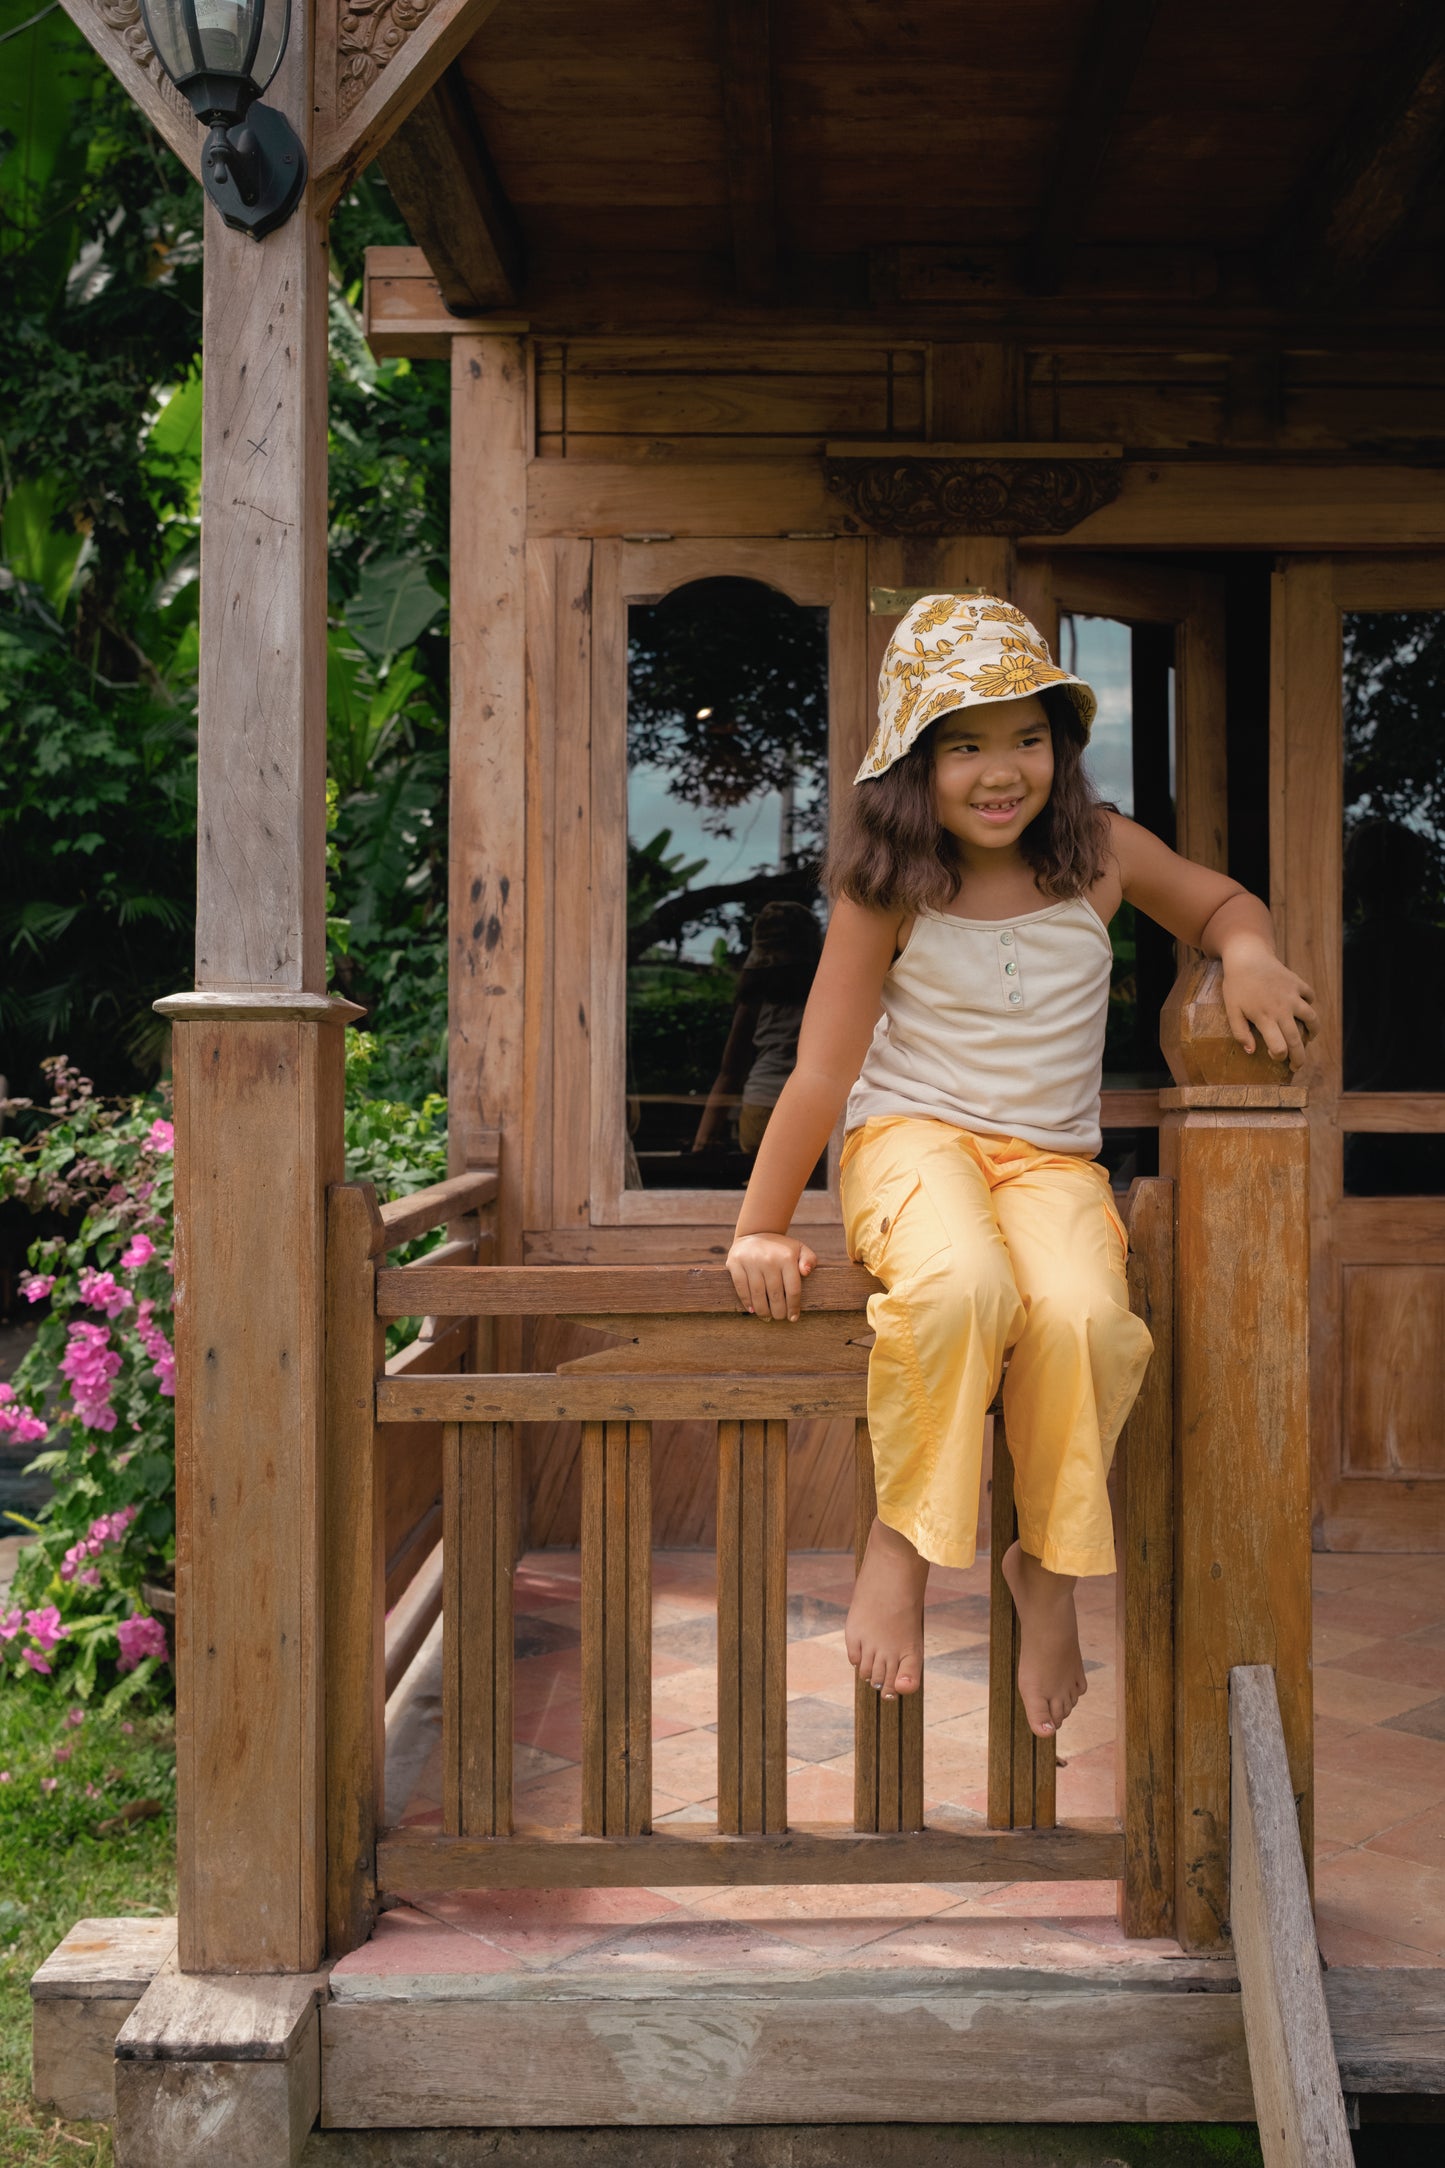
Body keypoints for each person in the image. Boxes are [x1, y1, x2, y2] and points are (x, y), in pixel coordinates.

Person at [724, 594, 1317, 1738]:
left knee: (1088, 1320)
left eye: (1025, 738)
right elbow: (819, 1073)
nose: (1001, 772)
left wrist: (1243, 951)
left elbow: (1217, 901)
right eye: (963, 745)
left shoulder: (1098, 851)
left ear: (1060, 744)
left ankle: (1044, 1570)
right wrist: (758, 1224)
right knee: (959, 1289)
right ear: (912, 762)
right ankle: (901, 1539)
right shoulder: (885, 884)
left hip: (1048, 1161)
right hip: (912, 1139)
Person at [692, 900, 823, 1159]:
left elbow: (731, 1071)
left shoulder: (754, 996)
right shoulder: (830, 992)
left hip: (760, 1108)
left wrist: (702, 1140)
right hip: (816, 1109)